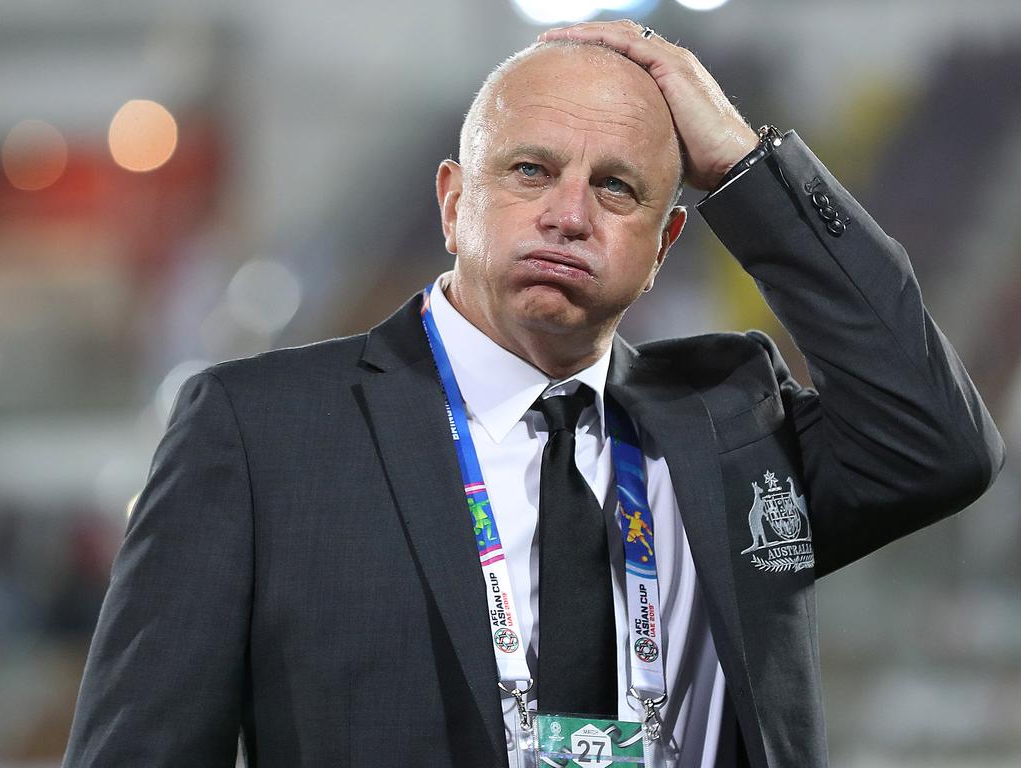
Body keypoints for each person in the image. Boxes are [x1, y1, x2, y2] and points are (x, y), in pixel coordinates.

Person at [62, 19, 1004, 768]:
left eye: (618, 189)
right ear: (450, 201)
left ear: (667, 241)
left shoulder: (729, 416)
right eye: (530, 171)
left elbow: (938, 443)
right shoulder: (262, 432)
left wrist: (747, 172)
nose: (568, 214)